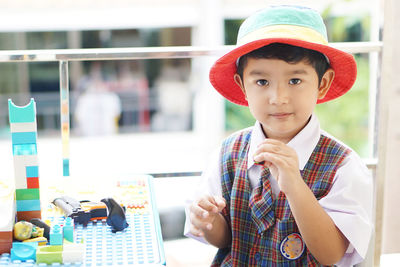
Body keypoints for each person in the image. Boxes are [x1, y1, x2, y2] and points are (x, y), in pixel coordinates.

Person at [184, 5, 372, 266]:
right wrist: (209, 221)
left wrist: (294, 183)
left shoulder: (344, 166)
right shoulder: (227, 154)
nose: (278, 98)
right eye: (262, 82)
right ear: (242, 85)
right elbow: (226, 239)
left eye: (295, 81)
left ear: (323, 83)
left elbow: (332, 254)